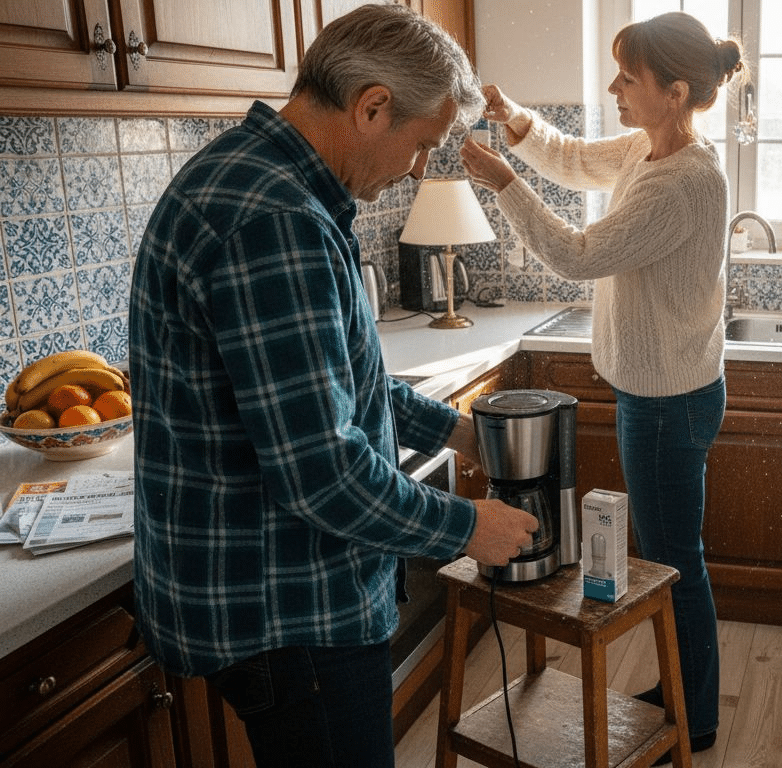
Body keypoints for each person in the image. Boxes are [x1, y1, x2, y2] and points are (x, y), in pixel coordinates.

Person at [128, 6, 537, 767]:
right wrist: (465, 527)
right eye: (421, 144)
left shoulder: (273, 183)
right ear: (371, 105)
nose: (419, 168)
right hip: (290, 616)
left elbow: (344, 386)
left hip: (278, 602)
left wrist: (456, 431)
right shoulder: (275, 220)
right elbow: (321, 471)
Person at [459, 11, 746, 760]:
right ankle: (687, 694)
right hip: (667, 396)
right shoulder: (650, 151)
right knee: (672, 553)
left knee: (675, 561)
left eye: (629, 77)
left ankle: (697, 717)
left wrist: (502, 183)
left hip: (664, 407)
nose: (614, 87)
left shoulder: (679, 183)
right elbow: (578, 159)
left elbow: (578, 254)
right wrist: (515, 120)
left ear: (675, 90)